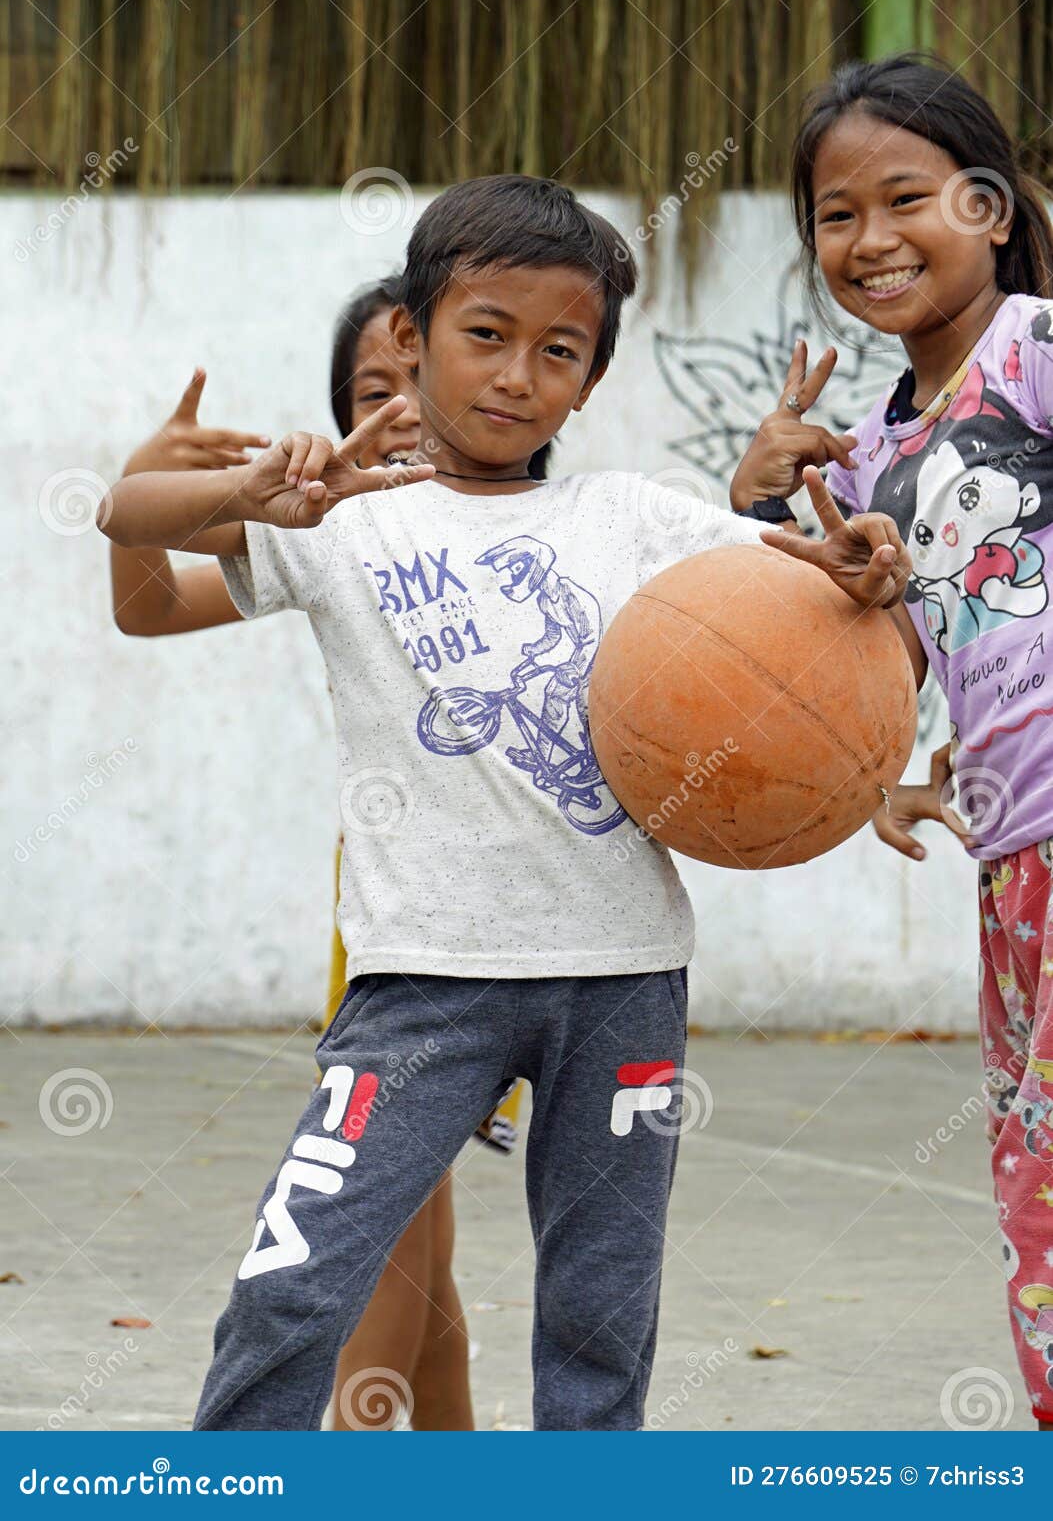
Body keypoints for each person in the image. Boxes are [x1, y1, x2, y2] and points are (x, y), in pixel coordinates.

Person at [99, 173, 905, 1432]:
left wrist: (868, 571)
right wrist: (218, 492)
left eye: (559, 351)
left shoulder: (629, 518)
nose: (518, 374)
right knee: (295, 1282)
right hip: (423, 981)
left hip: (624, 974)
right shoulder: (339, 519)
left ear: (588, 380)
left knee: (601, 1311)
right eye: (487, 335)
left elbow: (811, 587)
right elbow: (125, 525)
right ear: (412, 339)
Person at [730, 52, 1053, 1429]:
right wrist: (755, 504)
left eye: (905, 196)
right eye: (835, 214)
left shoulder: (1037, 347)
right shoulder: (861, 453)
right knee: (1031, 1149)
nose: (869, 239)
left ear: (986, 205)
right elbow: (860, 640)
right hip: (1015, 856)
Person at [108, 278, 475, 1431]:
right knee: (413, 1230)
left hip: (529, 922)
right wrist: (157, 478)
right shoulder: (342, 534)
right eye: (378, 388)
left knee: (394, 1226)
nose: (408, 406)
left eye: (432, 374)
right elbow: (149, 603)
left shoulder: (550, 526)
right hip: (388, 917)